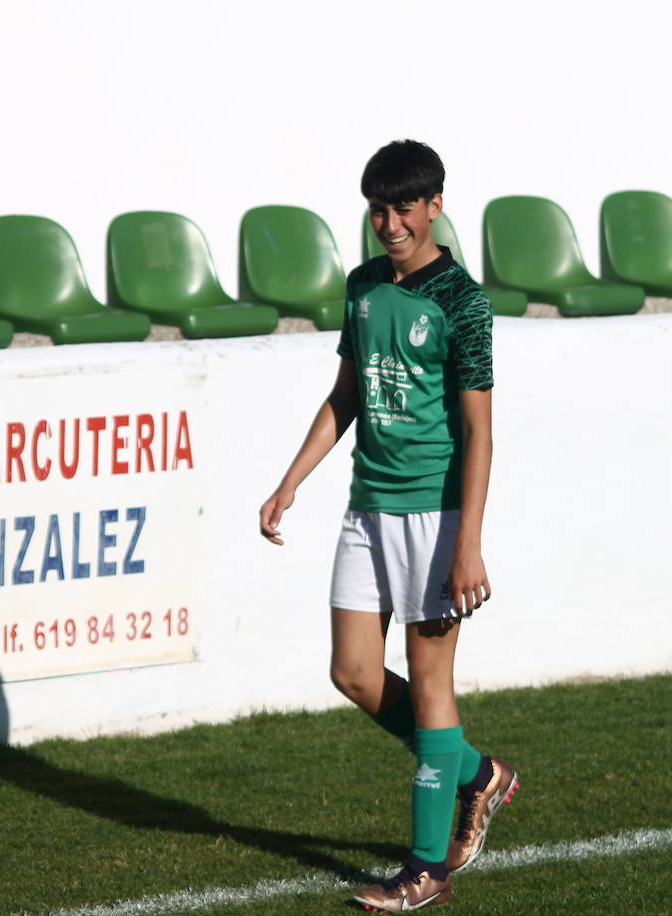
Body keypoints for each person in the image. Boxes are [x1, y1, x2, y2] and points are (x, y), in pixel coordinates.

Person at [259, 139, 518, 912]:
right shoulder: (364, 286)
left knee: (433, 684)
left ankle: (427, 869)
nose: (390, 222)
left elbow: (480, 433)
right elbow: (348, 396)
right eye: (379, 207)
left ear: (435, 205)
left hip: (434, 517)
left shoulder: (462, 302)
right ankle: (477, 775)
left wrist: (468, 543)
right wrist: (290, 482)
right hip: (366, 507)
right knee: (354, 673)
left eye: (405, 206)